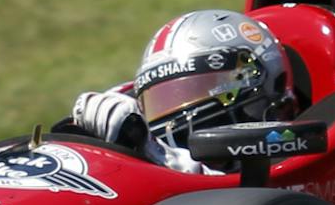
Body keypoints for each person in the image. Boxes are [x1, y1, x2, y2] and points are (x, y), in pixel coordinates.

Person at [71, 10, 298, 173]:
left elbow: (239, 193)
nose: (178, 115)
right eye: (163, 98)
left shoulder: (293, 161)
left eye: (200, 89)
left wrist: (155, 153)